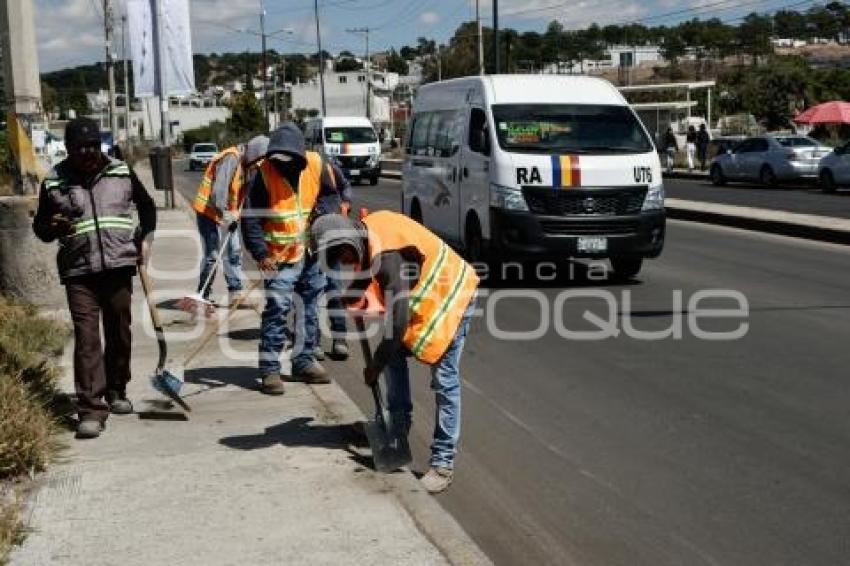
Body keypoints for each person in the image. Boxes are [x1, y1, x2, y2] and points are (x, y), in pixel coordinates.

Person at [309, 211, 480, 494]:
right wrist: (354, 290)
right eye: (337, 259)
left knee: (443, 381)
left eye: (343, 254)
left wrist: (375, 364)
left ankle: (443, 462)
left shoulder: (388, 258)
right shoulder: (368, 234)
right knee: (393, 357)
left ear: (352, 240)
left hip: (453, 296)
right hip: (423, 297)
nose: (344, 262)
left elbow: (397, 321)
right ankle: (395, 428)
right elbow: (369, 269)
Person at [32, 118, 156, 439]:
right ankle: (90, 407)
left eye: (91, 145)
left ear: (100, 144)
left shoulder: (120, 171)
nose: (86, 152)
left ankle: (116, 389)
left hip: (117, 267)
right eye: (78, 148)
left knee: (119, 330)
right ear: (68, 149)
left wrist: (144, 241)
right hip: (79, 271)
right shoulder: (54, 181)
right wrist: (53, 229)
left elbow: (147, 207)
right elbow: (41, 228)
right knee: (87, 338)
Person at [240, 123, 346, 395]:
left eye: (287, 161)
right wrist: (261, 254)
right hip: (278, 258)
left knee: (309, 309)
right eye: (277, 160)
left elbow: (332, 194)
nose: (280, 165)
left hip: (310, 252)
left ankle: (303, 361)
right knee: (277, 310)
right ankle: (270, 370)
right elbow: (250, 218)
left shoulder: (316, 164)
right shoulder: (263, 174)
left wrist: (321, 212)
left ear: (299, 156)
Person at [192, 136, 268, 307]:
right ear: (254, 154)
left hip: (227, 215)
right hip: (209, 211)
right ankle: (202, 293)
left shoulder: (247, 166)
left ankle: (236, 292)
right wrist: (226, 215)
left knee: (233, 251)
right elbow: (218, 193)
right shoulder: (231, 158)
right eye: (258, 161)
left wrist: (234, 216)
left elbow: (241, 196)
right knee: (213, 255)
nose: (258, 166)